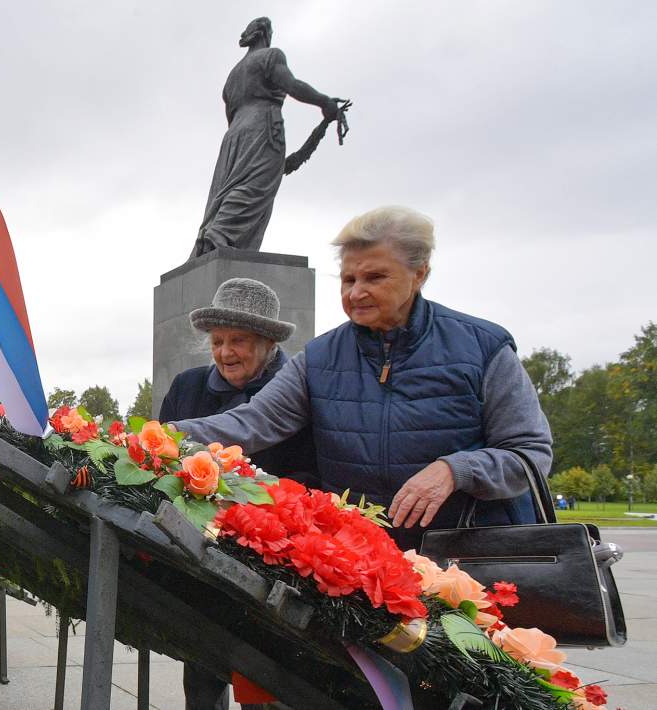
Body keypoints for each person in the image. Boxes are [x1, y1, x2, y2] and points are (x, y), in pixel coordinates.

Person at [174, 206, 552, 552]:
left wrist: (457, 470)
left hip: (470, 557)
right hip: (366, 560)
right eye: (348, 278)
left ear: (419, 273)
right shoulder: (319, 358)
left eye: (374, 277)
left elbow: (530, 453)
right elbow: (252, 422)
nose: (356, 293)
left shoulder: (484, 347)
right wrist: (156, 436)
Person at [159, 276, 316, 710]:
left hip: (272, 554)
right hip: (201, 549)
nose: (225, 352)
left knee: (265, 674)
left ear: (267, 342)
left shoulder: (298, 391)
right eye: (217, 340)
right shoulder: (188, 387)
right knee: (203, 665)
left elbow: (309, 472)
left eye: (238, 340)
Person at [190, 17, 341, 258]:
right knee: (254, 185)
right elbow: (291, 85)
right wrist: (324, 102)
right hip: (263, 125)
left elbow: (230, 112)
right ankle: (220, 232)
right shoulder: (271, 56)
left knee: (233, 186)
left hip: (234, 134)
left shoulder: (232, 75)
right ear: (264, 34)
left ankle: (217, 233)